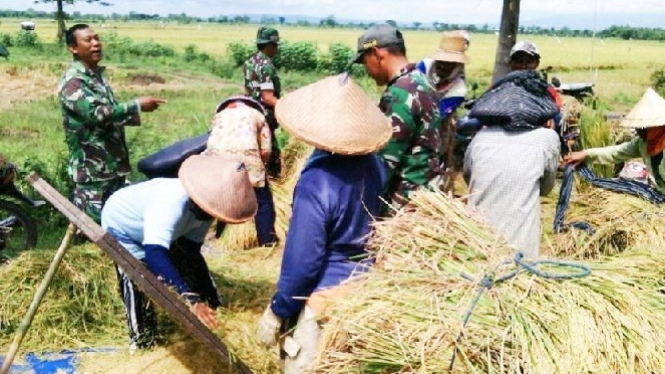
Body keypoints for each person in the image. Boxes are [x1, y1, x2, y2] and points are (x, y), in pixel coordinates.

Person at [256, 74, 391, 373]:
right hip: (366, 288)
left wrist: (278, 311)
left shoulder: (317, 182)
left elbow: (304, 262)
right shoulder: (375, 165)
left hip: (323, 299)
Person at [102, 155, 258, 350]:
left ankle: (214, 304)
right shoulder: (170, 203)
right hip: (123, 228)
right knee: (138, 277)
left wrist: (207, 299)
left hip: (157, 230)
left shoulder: (207, 209)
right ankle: (142, 340)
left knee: (182, 263)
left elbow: (191, 253)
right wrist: (189, 298)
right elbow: (154, 254)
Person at [59, 23, 165, 223]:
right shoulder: (74, 81)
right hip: (93, 174)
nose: (96, 44)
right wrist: (136, 106)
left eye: (97, 38)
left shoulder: (96, 77)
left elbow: (110, 117)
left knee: (118, 227)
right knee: (94, 232)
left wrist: (136, 110)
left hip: (112, 167)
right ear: (73, 48)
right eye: (88, 40)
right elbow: (96, 114)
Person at [464, 63, 561, 259]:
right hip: (519, 250)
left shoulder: (480, 138)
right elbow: (546, 188)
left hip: (476, 241)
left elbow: (469, 178)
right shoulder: (547, 139)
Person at [348, 24, 443, 208]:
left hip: (404, 204)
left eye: (365, 61)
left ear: (376, 54)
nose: (366, 69)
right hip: (426, 195)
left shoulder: (400, 93)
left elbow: (382, 164)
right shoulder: (421, 81)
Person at [204, 95, 277, 246]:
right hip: (247, 160)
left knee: (224, 198)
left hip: (216, 162)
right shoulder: (257, 116)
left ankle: (217, 235)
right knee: (262, 201)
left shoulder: (219, 116)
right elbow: (265, 149)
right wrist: (262, 166)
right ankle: (267, 241)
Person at [564, 88, 665, 193]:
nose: (639, 131)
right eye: (638, 127)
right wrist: (585, 154)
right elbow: (616, 152)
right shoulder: (642, 143)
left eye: (644, 128)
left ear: (659, 127)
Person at [243, 26, 283, 179]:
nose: (277, 49)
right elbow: (267, 97)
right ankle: (274, 183)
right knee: (271, 152)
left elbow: (247, 91)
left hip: (251, 112)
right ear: (269, 45)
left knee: (256, 148)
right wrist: (286, 108)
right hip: (265, 115)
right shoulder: (266, 65)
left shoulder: (249, 62)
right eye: (275, 45)